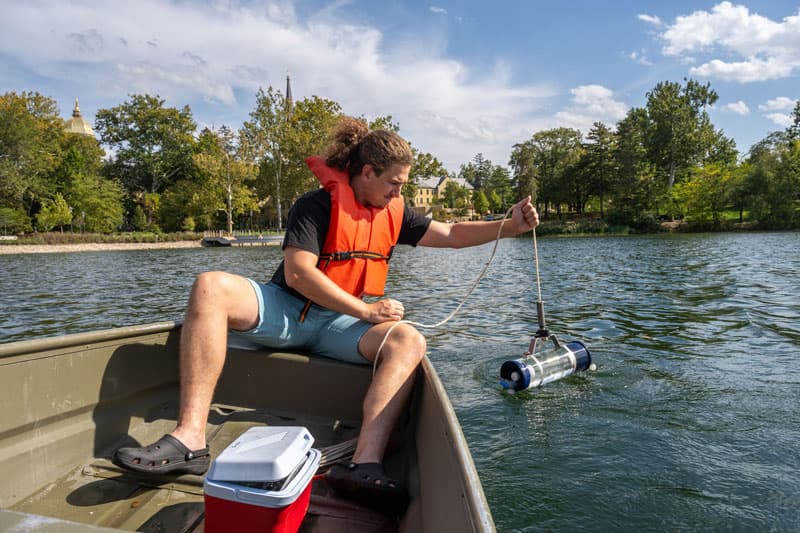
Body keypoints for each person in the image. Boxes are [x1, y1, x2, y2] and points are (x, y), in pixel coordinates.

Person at [114, 117, 539, 513]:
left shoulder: (394, 211)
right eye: (393, 183)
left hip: (340, 328)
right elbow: (299, 274)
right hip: (289, 312)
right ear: (367, 172)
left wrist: (509, 225)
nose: (398, 193)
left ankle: (363, 463)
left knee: (409, 339)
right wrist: (366, 310)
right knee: (210, 285)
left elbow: (450, 234)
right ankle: (190, 439)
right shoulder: (315, 205)